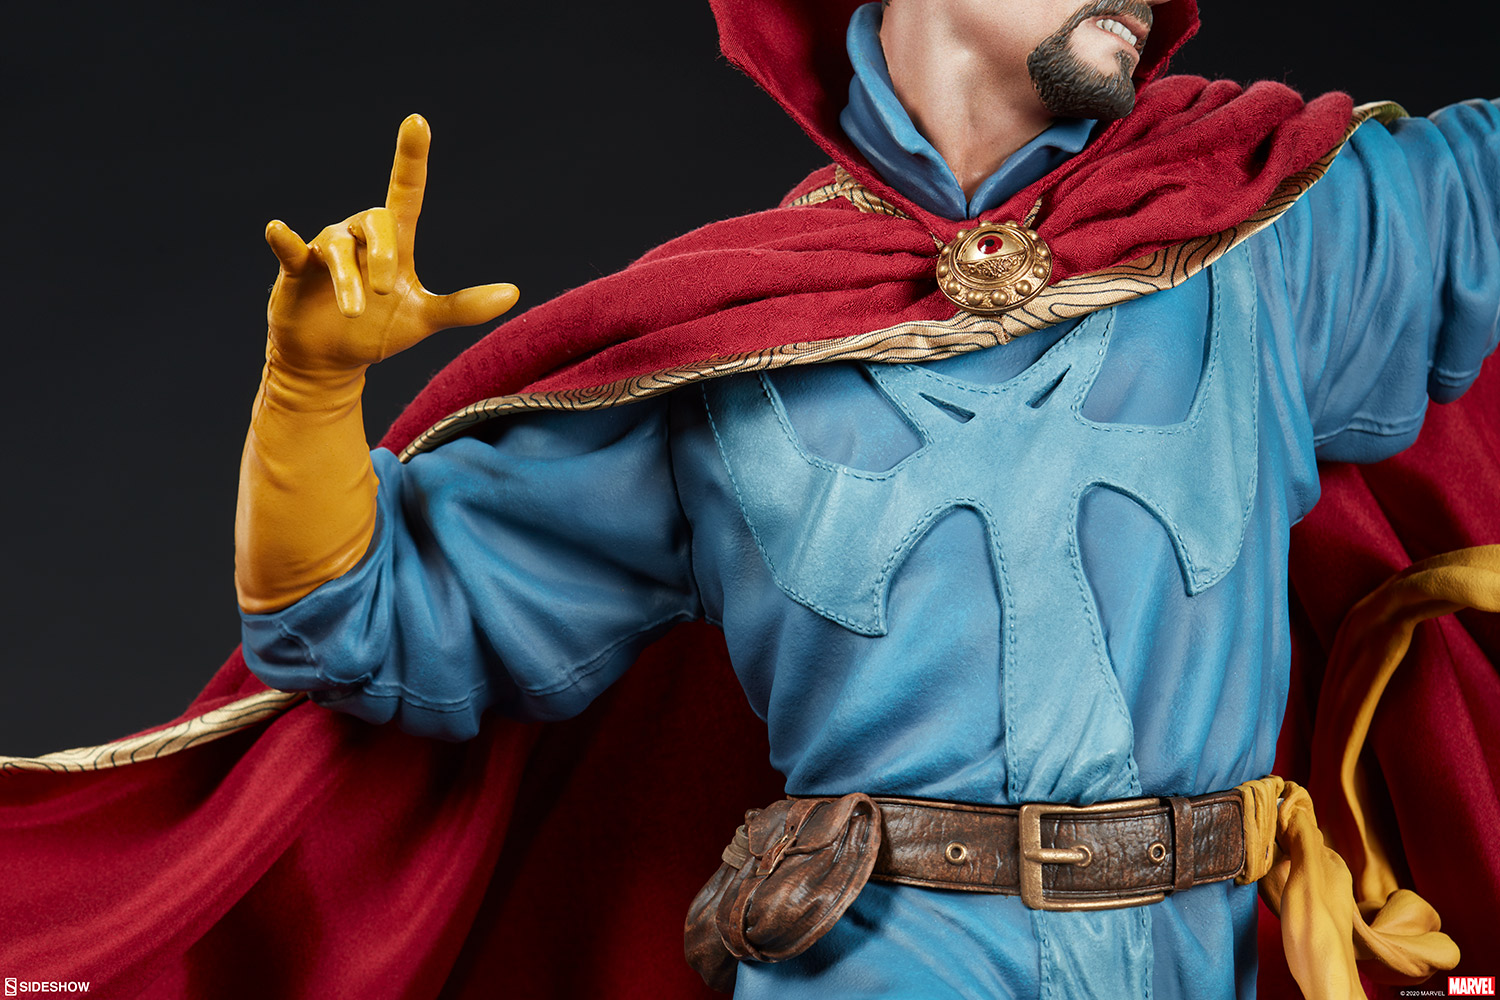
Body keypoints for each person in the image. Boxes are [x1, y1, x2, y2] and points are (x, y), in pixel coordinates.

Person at [4, 1, 1497, 997]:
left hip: (1206, 949)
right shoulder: (734, 345)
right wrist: (311, 393)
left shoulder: (1265, 242)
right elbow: (361, 617)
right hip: (891, 958)